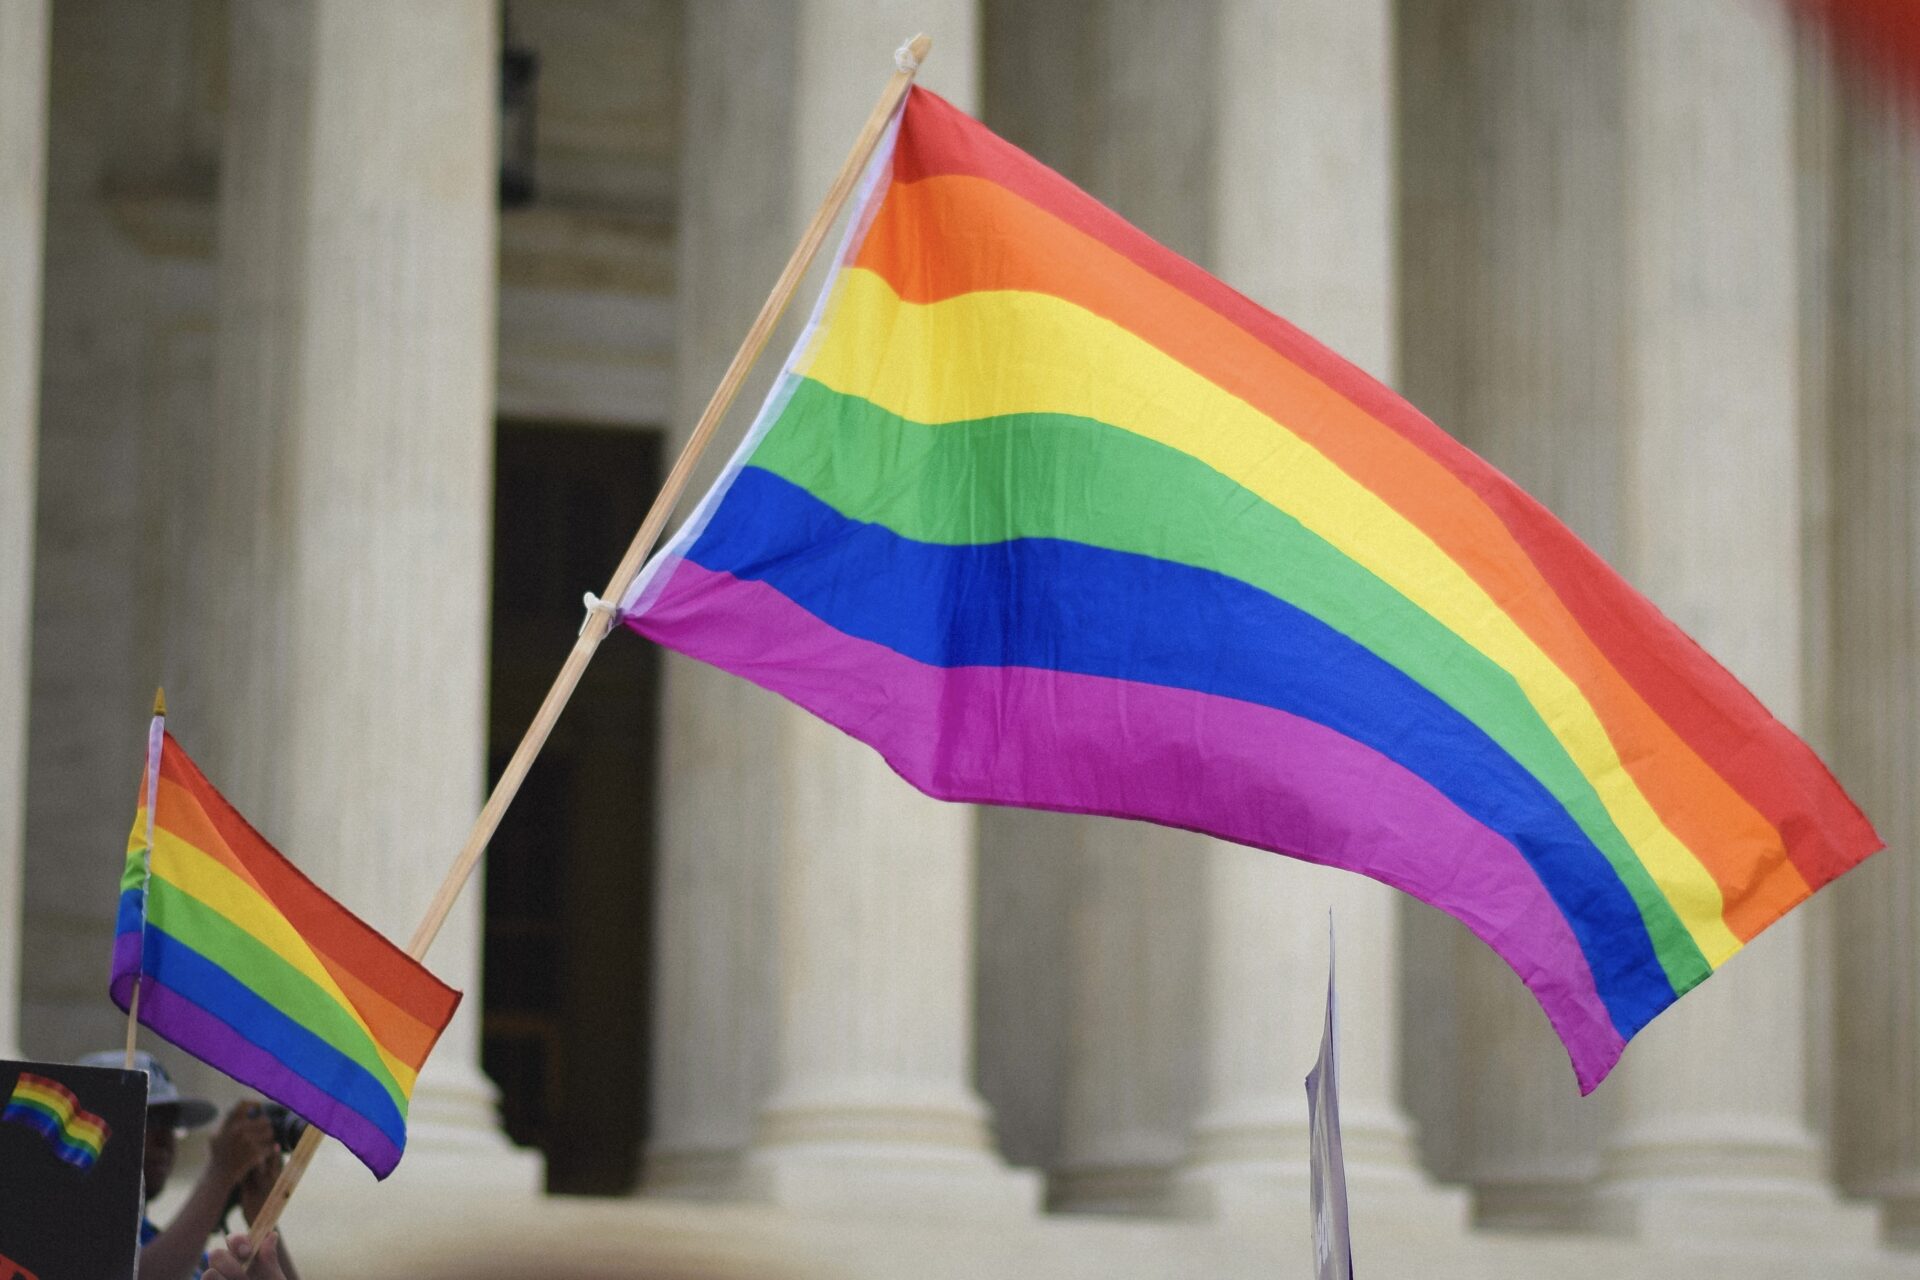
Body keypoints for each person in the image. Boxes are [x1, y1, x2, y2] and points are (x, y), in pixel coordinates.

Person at [75, 1051, 300, 1280]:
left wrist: (264, 1219)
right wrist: (221, 1174)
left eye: (171, 1124)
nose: (164, 1139)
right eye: (147, 1120)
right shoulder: (60, 1239)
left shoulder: (167, 1249)